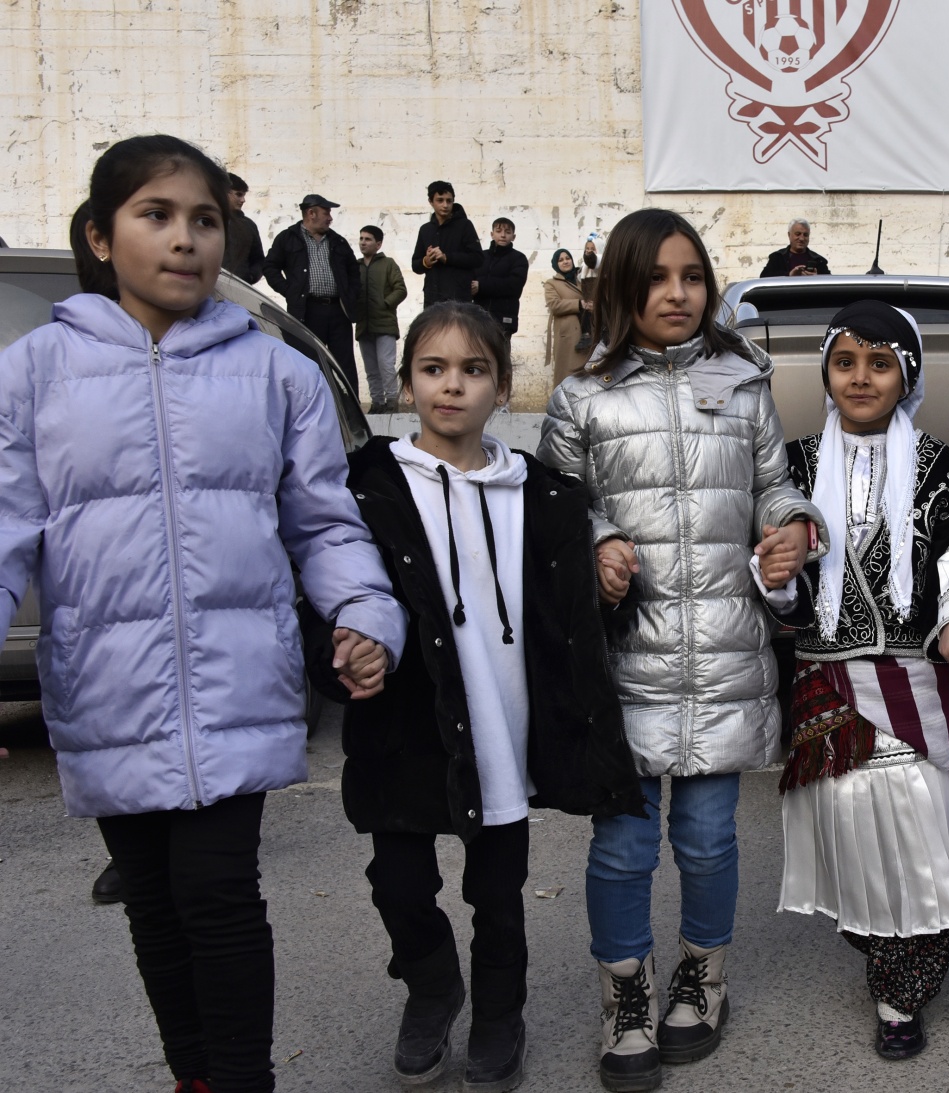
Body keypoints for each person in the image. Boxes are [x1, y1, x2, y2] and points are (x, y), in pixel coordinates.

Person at [0, 134, 406, 1093]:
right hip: (104, 687)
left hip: (239, 679)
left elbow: (325, 522)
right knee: (151, 901)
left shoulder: (278, 376)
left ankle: (242, 1081)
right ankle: (196, 1077)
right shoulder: (35, 372)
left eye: (205, 220)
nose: (185, 240)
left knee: (219, 895)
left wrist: (363, 616)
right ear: (100, 237)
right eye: (156, 216)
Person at [307, 301, 644, 1091]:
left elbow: (570, 615)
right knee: (398, 882)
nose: (450, 387)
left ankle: (499, 1013)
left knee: (498, 893)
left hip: (505, 731)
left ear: (501, 385)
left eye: (472, 370)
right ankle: (431, 986)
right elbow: (326, 593)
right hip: (405, 729)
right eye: (433, 369)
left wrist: (608, 582)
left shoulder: (544, 493)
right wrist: (342, 655)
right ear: (407, 382)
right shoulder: (366, 487)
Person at [537, 208, 824, 1093]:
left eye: (692, 276)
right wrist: (592, 541)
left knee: (706, 838)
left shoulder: (743, 381)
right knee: (622, 844)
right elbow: (552, 505)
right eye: (658, 278)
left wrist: (788, 528)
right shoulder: (582, 395)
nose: (678, 293)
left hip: (725, 655)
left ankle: (705, 976)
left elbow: (775, 485)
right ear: (620, 287)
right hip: (625, 661)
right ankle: (626, 993)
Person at [773, 300, 949, 1061]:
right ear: (827, 373)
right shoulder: (791, 464)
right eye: (845, 362)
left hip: (912, 681)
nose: (860, 377)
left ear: (908, 375)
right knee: (849, 831)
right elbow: (773, 581)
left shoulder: (938, 463)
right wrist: (773, 576)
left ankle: (904, 992)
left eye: (880, 362)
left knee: (914, 830)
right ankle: (883, 956)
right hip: (824, 682)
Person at [264, 193, 362, 394]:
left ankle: (350, 410)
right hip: (306, 311)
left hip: (338, 312)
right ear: (311, 213)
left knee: (344, 363)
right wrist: (289, 291)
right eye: (326, 212)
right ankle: (309, 403)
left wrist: (350, 295)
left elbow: (354, 272)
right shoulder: (287, 238)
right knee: (306, 360)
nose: (330, 218)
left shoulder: (338, 241)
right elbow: (270, 267)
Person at [356, 224, 408, 415]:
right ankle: (377, 402)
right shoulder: (356, 266)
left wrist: (385, 304)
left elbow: (400, 289)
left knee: (386, 364)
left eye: (368, 239)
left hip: (385, 324)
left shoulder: (388, 264)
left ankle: (392, 401)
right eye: (361, 238)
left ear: (378, 244)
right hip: (363, 324)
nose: (363, 242)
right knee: (371, 368)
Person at [412, 181, 483, 308]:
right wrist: (426, 261)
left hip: (458, 298)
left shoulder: (465, 225)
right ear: (430, 201)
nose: (445, 205)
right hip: (432, 298)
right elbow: (415, 265)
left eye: (449, 201)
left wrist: (447, 258)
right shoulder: (425, 229)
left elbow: (477, 258)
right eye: (440, 200)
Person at [472, 217, 529, 340]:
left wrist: (481, 286)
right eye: (499, 231)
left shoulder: (519, 258)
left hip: (504, 320)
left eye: (507, 232)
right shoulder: (481, 257)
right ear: (492, 234)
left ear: (513, 237)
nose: (503, 235)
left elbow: (513, 285)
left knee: (501, 356)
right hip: (478, 318)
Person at [544, 247, 592, 387]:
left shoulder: (583, 279)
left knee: (586, 374)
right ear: (555, 264)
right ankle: (563, 405)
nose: (565, 262)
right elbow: (554, 305)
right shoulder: (552, 283)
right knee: (567, 374)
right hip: (568, 335)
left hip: (588, 332)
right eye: (561, 260)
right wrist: (579, 303)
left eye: (567, 258)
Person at [224, 173, 264, 284]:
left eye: (244, 195)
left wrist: (250, 277)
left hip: (241, 288)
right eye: (238, 194)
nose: (243, 200)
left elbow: (258, 259)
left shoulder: (249, 225)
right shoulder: (207, 222)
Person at [759, 218, 831, 277]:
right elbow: (764, 278)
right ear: (789, 235)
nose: (802, 238)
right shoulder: (778, 258)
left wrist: (817, 277)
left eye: (805, 235)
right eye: (798, 234)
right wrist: (789, 275)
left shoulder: (819, 260)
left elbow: (829, 284)